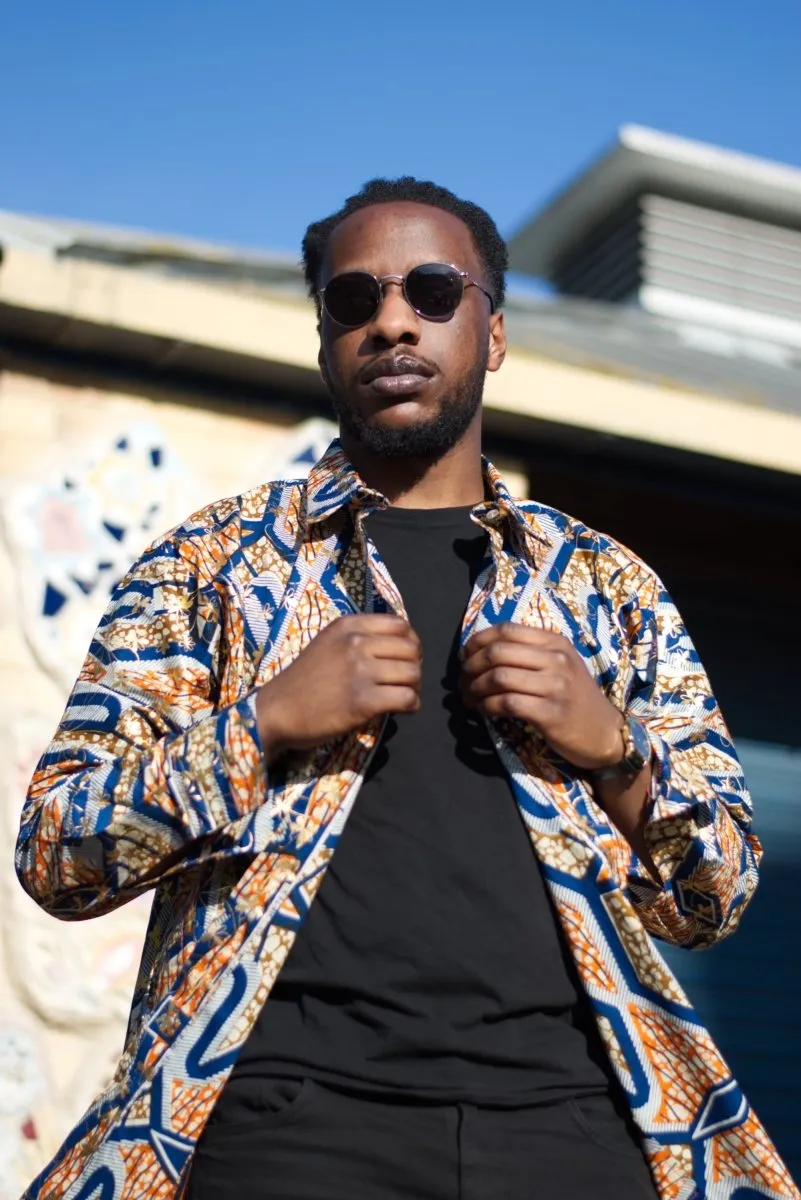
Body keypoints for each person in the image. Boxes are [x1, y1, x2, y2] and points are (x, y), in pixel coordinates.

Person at [15, 177, 798, 1200]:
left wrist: (614, 748)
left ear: (495, 332)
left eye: (433, 292)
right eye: (354, 301)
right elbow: (57, 851)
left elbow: (719, 891)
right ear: (326, 339)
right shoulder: (207, 567)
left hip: (574, 1126)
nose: (392, 321)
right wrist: (265, 722)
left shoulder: (607, 587)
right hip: (284, 1123)